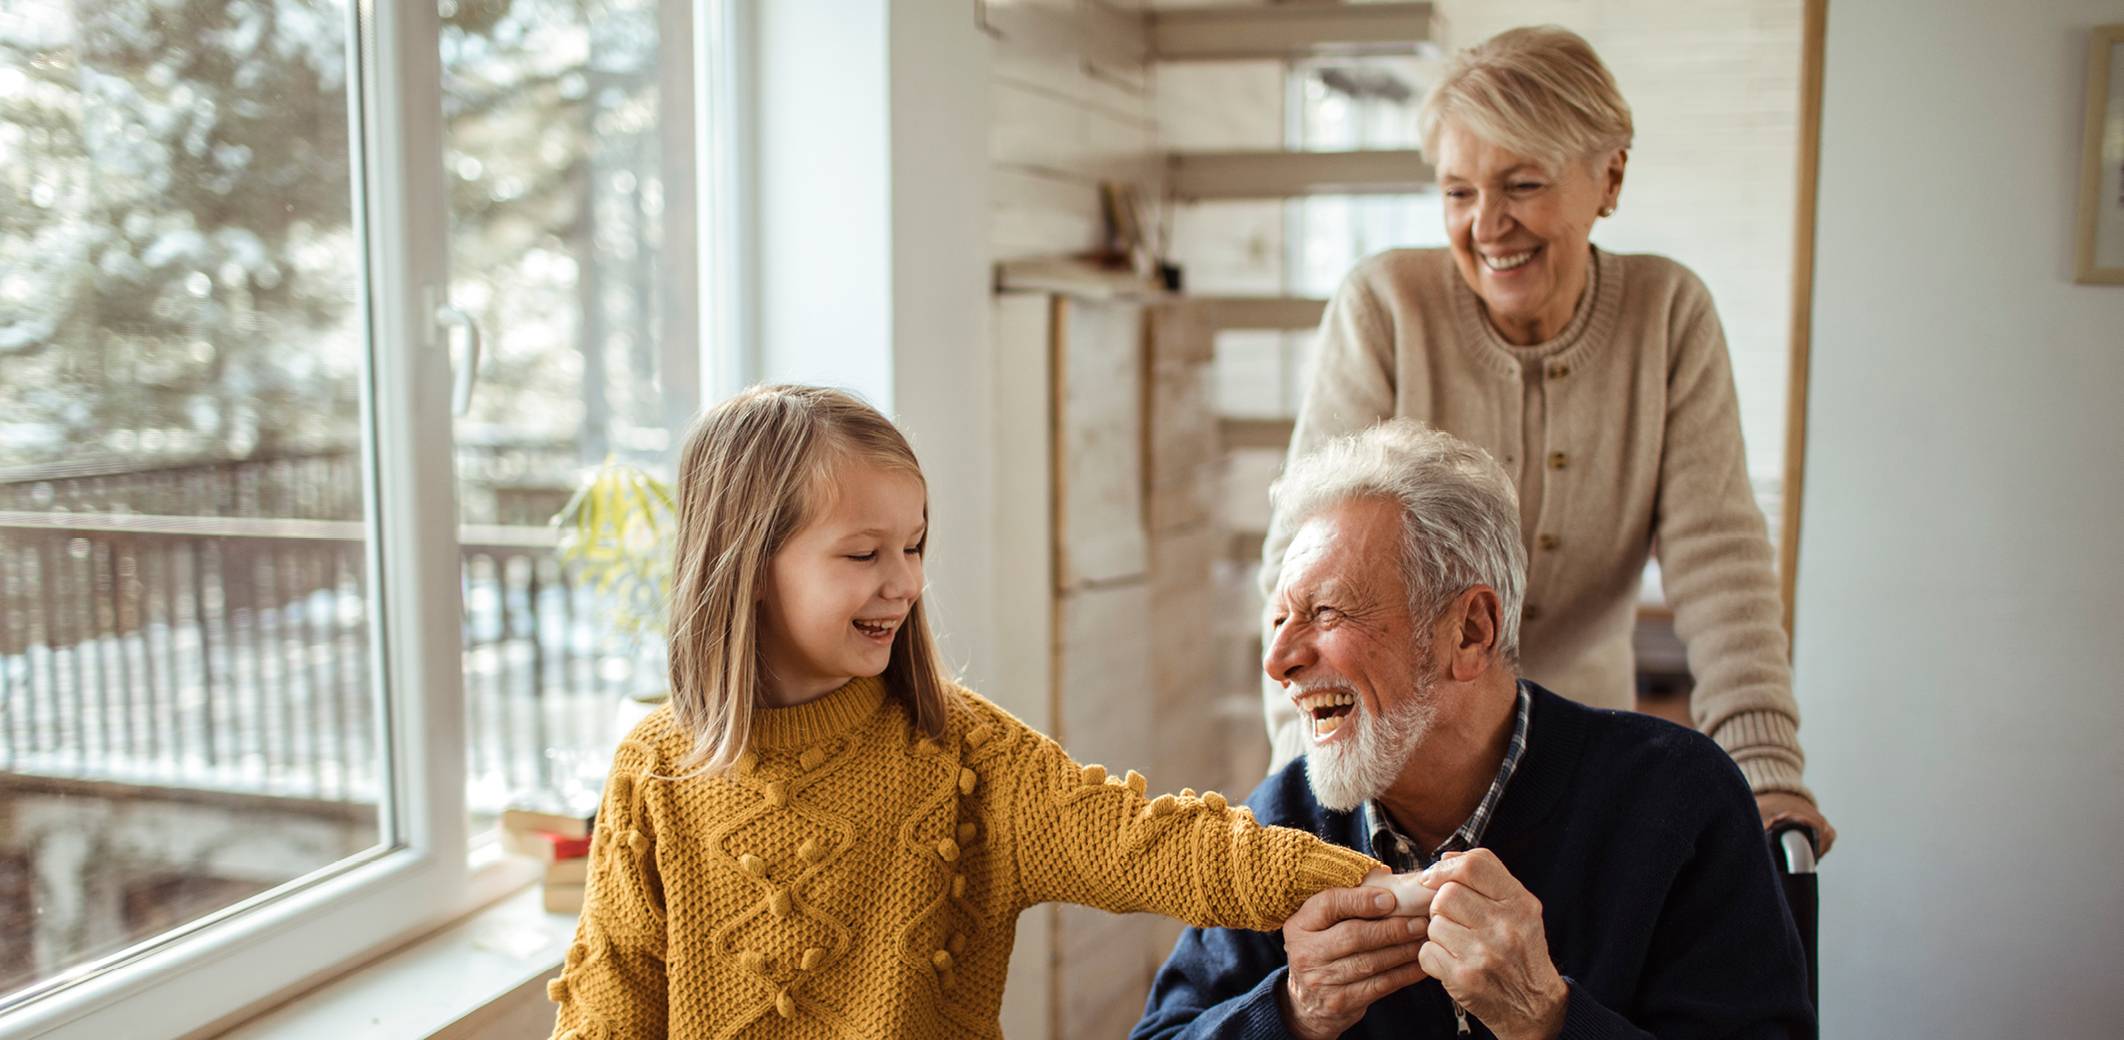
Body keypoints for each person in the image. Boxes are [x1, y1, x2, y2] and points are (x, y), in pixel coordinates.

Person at [544, 385, 1388, 1038]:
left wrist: (1375, 889)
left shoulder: (968, 755)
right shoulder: (655, 771)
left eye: (913, 547)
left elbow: (1155, 844)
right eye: (864, 553)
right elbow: (607, 1009)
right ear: (748, 566)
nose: (905, 583)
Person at [1256, 25, 1834, 850]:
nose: (1487, 225)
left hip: (1587, 765)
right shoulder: (1386, 305)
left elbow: (1720, 558)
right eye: (1458, 193)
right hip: (1404, 771)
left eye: (1521, 184)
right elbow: (1302, 571)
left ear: (1610, 176)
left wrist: (1766, 768)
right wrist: (1308, 794)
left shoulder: (1668, 315)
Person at [1141, 421, 1813, 1038]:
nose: (1279, 661)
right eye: (1281, 619)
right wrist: (1291, 1010)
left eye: (1324, 611)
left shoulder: (1679, 801)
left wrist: (1548, 1018)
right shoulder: (1281, 823)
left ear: (1471, 631)